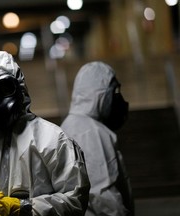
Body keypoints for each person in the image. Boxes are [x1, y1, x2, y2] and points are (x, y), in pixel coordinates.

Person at [0, 51, 90, 216]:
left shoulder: (52, 140)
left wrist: (25, 208)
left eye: (4, 89)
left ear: (20, 88)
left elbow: (75, 200)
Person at [61, 61, 134, 216]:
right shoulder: (88, 131)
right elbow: (102, 193)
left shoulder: (72, 125)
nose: (118, 98)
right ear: (99, 95)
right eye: (114, 92)